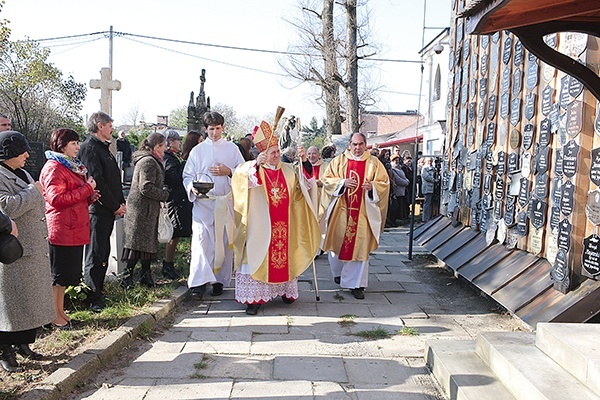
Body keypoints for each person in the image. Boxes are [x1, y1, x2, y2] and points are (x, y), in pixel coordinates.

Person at [232, 121, 321, 315]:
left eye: (277, 151)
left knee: (284, 257)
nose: (276, 154)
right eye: (272, 152)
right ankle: (254, 299)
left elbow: (306, 185)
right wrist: (257, 164)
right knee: (258, 256)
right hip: (259, 226)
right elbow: (239, 180)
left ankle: (284, 291)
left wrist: (304, 161)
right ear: (262, 153)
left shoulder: (288, 170)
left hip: (285, 224)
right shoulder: (253, 168)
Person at [0, 131, 54, 372]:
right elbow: (6, 207)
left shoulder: (22, 172)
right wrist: (33, 192)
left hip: (33, 246)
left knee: (27, 303)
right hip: (14, 250)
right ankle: (5, 352)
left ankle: (24, 344)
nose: (27, 154)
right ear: (8, 154)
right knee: (10, 305)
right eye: (22, 151)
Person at [40, 128, 100, 329]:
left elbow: (73, 195)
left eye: (77, 142)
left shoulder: (72, 166)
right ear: (61, 145)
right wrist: (86, 189)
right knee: (58, 276)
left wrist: (89, 195)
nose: (78, 146)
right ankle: (52, 315)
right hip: (61, 227)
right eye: (73, 143)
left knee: (65, 277)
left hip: (73, 226)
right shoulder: (54, 168)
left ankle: (60, 311)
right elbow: (56, 199)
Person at [182, 112, 245, 298]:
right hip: (203, 204)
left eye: (218, 128)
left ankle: (218, 281)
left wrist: (229, 171)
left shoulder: (232, 149)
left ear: (223, 128)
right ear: (205, 129)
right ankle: (198, 284)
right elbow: (187, 175)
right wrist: (191, 188)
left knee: (223, 243)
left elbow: (243, 172)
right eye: (211, 129)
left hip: (224, 203)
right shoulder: (197, 151)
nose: (215, 133)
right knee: (202, 242)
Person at [321, 133, 389, 300]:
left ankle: (356, 284)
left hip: (363, 213)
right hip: (341, 211)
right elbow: (326, 180)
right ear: (349, 145)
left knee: (360, 248)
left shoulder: (374, 163)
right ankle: (338, 273)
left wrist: (372, 186)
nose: (357, 148)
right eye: (354, 144)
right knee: (336, 244)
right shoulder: (338, 161)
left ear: (365, 144)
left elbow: (384, 184)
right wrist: (342, 183)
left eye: (360, 144)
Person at [78, 111, 126, 313]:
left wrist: (120, 203)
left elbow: (114, 179)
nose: (112, 129)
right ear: (99, 125)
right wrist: (115, 205)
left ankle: (99, 290)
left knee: (103, 251)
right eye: (109, 125)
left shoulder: (104, 148)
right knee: (96, 253)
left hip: (108, 209)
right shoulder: (90, 148)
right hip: (98, 210)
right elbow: (98, 182)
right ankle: (92, 296)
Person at [121, 133, 170, 288]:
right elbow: (145, 186)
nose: (165, 148)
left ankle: (145, 276)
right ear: (157, 147)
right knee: (137, 246)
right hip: (142, 210)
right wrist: (164, 195)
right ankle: (127, 278)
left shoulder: (150, 160)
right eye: (163, 145)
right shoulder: (148, 161)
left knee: (145, 246)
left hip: (146, 209)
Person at [161, 130, 191, 280]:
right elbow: (173, 178)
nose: (180, 143)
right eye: (178, 140)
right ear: (171, 142)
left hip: (180, 200)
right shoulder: (167, 159)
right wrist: (184, 165)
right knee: (173, 232)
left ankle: (170, 263)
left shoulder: (172, 157)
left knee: (177, 232)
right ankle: (168, 264)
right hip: (173, 200)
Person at [391, 154, 409, 224]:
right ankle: (396, 220)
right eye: (395, 160)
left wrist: (406, 180)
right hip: (397, 189)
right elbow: (397, 179)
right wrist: (406, 182)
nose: (397, 161)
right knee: (397, 206)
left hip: (402, 190)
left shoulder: (399, 168)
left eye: (397, 160)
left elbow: (404, 176)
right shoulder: (393, 169)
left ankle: (401, 218)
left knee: (402, 205)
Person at [421, 157, 436, 223]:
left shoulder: (433, 168)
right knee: (427, 203)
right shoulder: (425, 168)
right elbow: (426, 176)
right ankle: (425, 218)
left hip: (432, 187)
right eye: (428, 161)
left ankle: (429, 216)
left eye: (431, 161)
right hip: (427, 187)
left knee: (430, 203)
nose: (430, 162)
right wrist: (434, 180)